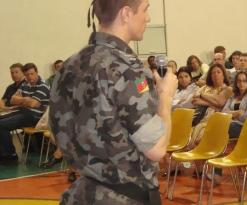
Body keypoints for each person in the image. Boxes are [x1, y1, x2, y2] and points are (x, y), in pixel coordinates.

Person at [49, 0, 178, 204]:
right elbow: (156, 149)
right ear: (126, 13)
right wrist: (166, 96)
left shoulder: (69, 66)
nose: (148, 17)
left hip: (83, 194)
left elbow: (59, 130)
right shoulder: (127, 70)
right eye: (145, 9)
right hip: (125, 196)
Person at [0, 63, 50, 163]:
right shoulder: (24, 84)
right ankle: (4, 152)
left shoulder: (43, 85)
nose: (29, 77)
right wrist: (26, 99)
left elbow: (33, 104)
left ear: (37, 72)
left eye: (32, 74)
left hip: (36, 116)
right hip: (23, 112)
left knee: (1, 125)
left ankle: (10, 156)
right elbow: (12, 100)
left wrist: (22, 100)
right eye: (27, 75)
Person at [223, 71, 247, 138]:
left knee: (223, 126)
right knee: (217, 123)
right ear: (236, 83)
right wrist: (237, 113)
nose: (241, 83)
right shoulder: (233, 96)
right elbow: (224, 111)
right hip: (230, 123)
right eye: (239, 81)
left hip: (244, 126)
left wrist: (231, 115)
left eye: (244, 81)